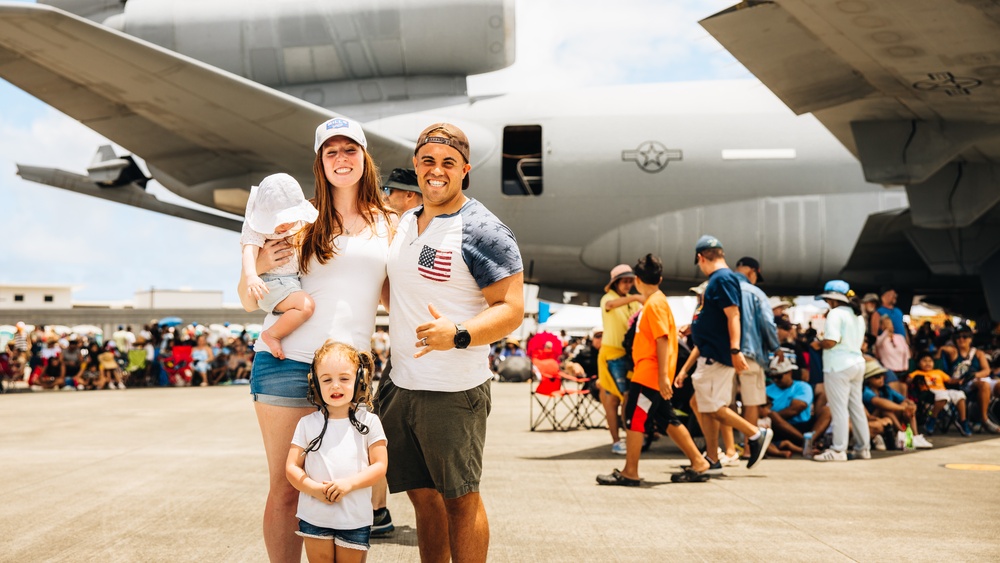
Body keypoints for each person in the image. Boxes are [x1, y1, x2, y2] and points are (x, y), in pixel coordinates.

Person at [238, 116, 393, 563]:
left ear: (364, 157)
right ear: (319, 163)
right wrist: (261, 263)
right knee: (287, 489)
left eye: (350, 150)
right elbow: (248, 300)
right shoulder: (300, 219)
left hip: (349, 372)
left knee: (344, 488)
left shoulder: (391, 223)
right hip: (286, 363)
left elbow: (396, 296)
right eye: (331, 152)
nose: (341, 159)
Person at [377, 122, 524, 563]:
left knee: (461, 500)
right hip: (400, 384)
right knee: (423, 499)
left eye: (447, 163)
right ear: (416, 168)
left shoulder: (483, 228)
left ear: (464, 170)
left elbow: (511, 309)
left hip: (453, 390)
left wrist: (458, 334)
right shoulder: (405, 222)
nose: (436, 171)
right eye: (427, 161)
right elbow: (396, 290)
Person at [597, 254, 711, 486]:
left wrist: (661, 378)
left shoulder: (655, 304)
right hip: (652, 373)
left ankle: (630, 471)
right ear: (660, 279)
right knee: (667, 419)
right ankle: (699, 462)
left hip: (649, 374)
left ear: (638, 280)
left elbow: (661, 339)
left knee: (634, 419)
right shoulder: (656, 301)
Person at [674, 235, 773, 472]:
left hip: (716, 356)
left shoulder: (721, 279)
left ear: (700, 257)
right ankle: (712, 458)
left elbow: (734, 315)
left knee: (712, 407)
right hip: (711, 353)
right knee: (701, 403)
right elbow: (721, 317)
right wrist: (695, 327)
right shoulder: (719, 280)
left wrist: (735, 349)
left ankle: (755, 434)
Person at [285, 341, 387, 563]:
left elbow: (380, 466)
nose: (335, 386)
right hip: (314, 517)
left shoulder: (369, 422)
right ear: (315, 383)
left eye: (344, 378)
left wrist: (349, 484)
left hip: (354, 518)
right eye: (326, 379)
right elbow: (292, 467)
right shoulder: (306, 424)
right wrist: (312, 488)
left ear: (359, 380)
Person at [242, 172, 321, 360]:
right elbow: (249, 251)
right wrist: (251, 276)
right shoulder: (256, 227)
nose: (286, 225)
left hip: (289, 282)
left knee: (304, 305)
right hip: (272, 283)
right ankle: (272, 334)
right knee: (306, 306)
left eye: (290, 219)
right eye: (279, 221)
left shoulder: (297, 224)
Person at [812, 280, 870, 461]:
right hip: (857, 363)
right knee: (856, 408)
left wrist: (817, 344)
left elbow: (831, 341)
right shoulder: (857, 315)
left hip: (838, 365)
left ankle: (838, 450)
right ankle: (863, 448)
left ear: (832, 299)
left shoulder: (835, 314)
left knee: (839, 409)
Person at [733, 256, 781, 447]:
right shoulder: (755, 293)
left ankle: (728, 448)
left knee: (724, 404)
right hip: (751, 355)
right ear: (753, 271)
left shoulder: (720, 287)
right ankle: (748, 447)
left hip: (724, 355)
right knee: (750, 402)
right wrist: (775, 347)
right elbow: (768, 324)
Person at [599, 264, 644, 455]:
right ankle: (619, 440)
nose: (627, 285)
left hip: (628, 355)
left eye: (630, 281)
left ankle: (626, 437)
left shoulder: (632, 302)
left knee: (625, 398)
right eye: (624, 281)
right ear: (616, 282)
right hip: (612, 355)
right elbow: (610, 306)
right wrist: (635, 297)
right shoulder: (608, 298)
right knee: (617, 399)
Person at [939, 325, 998, 433]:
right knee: (983, 385)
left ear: (970, 338)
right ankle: (985, 420)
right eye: (958, 337)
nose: (961, 339)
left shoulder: (978, 353)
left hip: (978, 378)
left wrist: (975, 375)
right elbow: (942, 350)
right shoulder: (953, 352)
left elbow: (986, 370)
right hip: (963, 383)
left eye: (965, 336)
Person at [861, 359, 932, 449]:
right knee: (885, 409)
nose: (881, 378)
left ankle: (915, 436)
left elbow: (904, 400)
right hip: (873, 417)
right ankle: (902, 433)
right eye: (877, 376)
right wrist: (902, 408)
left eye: (882, 376)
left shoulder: (886, 389)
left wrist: (910, 405)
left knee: (906, 407)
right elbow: (878, 402)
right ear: (868, 379)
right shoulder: (866, 391)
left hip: (891, 417)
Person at [910, 352, 972, 436]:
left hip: (943, 390)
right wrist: (915, 379)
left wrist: (960, 381)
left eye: (930, 361)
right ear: (918, 363)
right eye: (924, 361)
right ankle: (932, 419)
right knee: (943, 396)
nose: (928, 363)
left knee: (960, 394)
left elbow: (950, 380)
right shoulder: (917, 373)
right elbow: (908, 380)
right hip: (929, 392)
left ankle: (963, 421)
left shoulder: (938, 372)